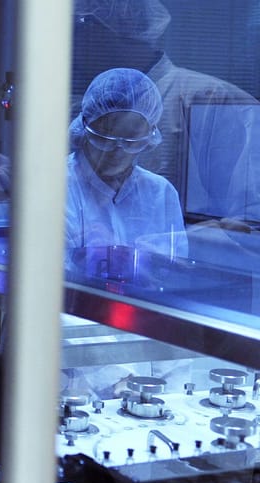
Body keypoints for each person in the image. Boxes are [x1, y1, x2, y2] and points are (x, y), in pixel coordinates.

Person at [63, 68, 191, 400]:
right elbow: (49, 297)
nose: (117, 149)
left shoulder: (160, 194)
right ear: (86, 126)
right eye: (106, 134)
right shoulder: (58, 186)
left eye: (131, 137)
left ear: (150, 136)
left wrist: (174, 389)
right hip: (74, 365)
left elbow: (172, 291)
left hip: (146, 356)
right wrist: (117, 376)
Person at [73, 0, 260, 222]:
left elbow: (245, 224)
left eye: (80, 24)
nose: (71, 40)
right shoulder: (75, 105)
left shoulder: (211, 100)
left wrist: (168, 236)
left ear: (122, 23)